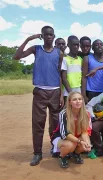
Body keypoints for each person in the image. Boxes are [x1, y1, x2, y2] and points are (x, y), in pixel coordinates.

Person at [13, 26, 64, 166]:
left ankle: (56, 149)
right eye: (46, 34)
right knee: (38, 124)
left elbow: (60, 74)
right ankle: (37, 153)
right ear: (42, 35)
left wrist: (60, 94)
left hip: (55, 92)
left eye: (51, 34)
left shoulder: (59, 53)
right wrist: (29, 39)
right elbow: (17, 56)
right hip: (40, 91)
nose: (49, 37)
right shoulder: (36, 49)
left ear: (54, 36)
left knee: (56, 124)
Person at [51, 92, 92, 168]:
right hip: (61, 138)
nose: (78, 101)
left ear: (82, 100)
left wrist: (87, 143)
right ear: (69, 102)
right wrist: (79, 141)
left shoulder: (86, 114)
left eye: (80, 99)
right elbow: (65, 134)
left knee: (85, 145)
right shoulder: (63, 114)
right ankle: (62, 156)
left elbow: (84, 132)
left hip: (75, 137)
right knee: (71, 144)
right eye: (74, 99)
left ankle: (76, 154)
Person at [81, 39, 103, 103]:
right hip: (92, 91)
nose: (99, 46)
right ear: (93, 48)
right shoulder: (87, 58)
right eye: (96, 45)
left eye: (101, 44)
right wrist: (83, 94)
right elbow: (84, 77)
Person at [61, 36, 82, 100]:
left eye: (77, 45)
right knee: (67, 109)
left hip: (78, 89)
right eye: (73, 45)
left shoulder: (80, 59)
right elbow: (64, 78)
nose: (76, 47)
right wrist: (71, 93)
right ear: (68, 45)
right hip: (68, 91)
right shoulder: (64, 59)